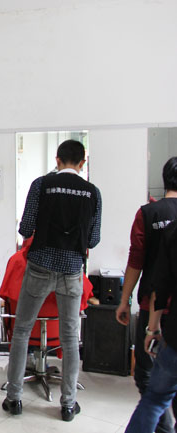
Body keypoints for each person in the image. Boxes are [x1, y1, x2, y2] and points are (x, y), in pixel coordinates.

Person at [2, 140, 102, 422]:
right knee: (70, 338)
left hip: (40, 266)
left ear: (57, 160)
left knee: (22, 331)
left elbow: (25, 228)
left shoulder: (41, 184)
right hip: (72, 270)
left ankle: (14, 399)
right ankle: (68, 405)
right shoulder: (92, 192)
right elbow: (93, 239)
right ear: (82, 163)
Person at [116, 157, 177, 433]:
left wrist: (124, 299)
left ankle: (163, 427)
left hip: (153, 306)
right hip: (167, 308)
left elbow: (136, 260)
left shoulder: (148, 213)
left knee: (147, 376)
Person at [125, 221, 177, 432]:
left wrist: (152, 328)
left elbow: (160, 286)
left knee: (154, 399)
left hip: (174, 338)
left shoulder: (173, 230)